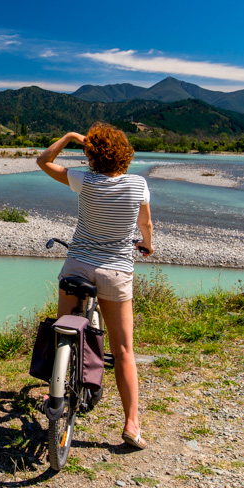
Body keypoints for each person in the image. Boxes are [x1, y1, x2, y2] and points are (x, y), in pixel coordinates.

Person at [36, 121, 153, 450]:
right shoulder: (138, 184)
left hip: (78, 266)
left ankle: (56, 388)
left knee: (64, 329)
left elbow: (43, 161)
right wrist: (147, 243)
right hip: (116, 272)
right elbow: (145, 224)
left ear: (91, 154)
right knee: (124, 350)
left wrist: (70, 137)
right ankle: (131, 425)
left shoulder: (83, 180)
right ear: (123, 152)